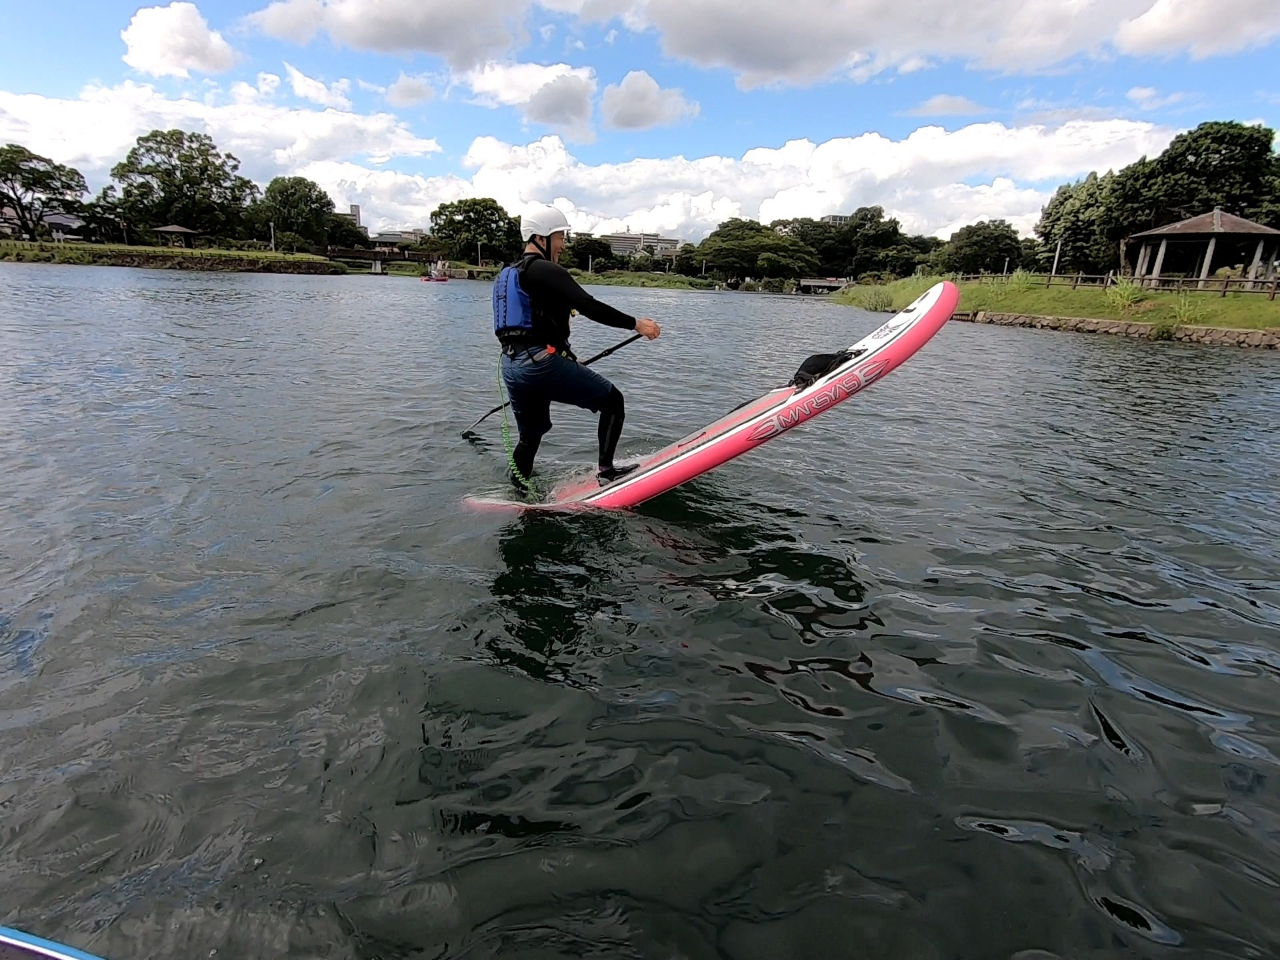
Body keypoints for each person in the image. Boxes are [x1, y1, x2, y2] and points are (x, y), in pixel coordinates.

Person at [493, 203, 661, 490]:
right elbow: (588, 305)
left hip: (512, 367)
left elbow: (531, 327)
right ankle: (607, 472)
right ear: (541, 238)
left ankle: (517, 490)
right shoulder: (545, 269)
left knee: (529, 437)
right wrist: (636, 324)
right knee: (613, 402)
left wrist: (565, 357)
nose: (563, 245)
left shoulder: (507, 275)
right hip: (540, 365)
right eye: (559, 237)